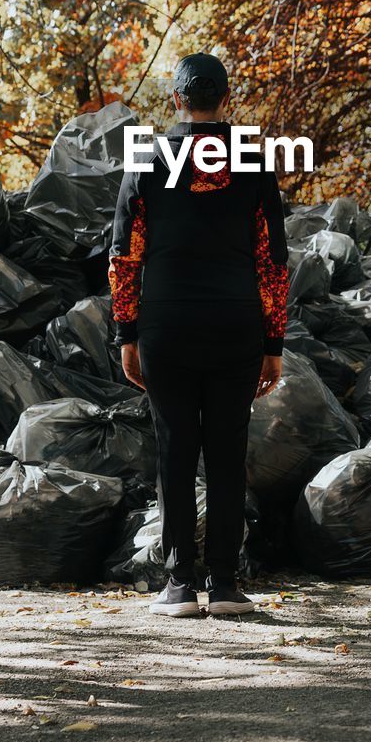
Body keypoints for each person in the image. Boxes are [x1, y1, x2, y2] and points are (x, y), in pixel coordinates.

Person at [108, 52, 289, 617]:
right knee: (228, 454)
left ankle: (181, 585)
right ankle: (227, 585)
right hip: (236, 325)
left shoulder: (147, 163)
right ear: (225, 99)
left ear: (177, 100)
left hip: (167, 326)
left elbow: (124, 258)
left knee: (176, 451)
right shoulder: (254, 166)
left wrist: (127, 334)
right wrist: (273, 344)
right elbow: (273, 261)